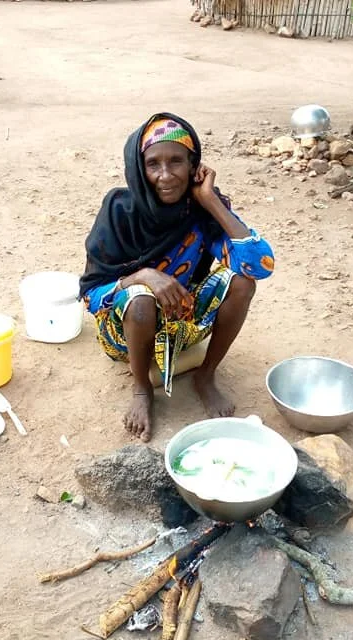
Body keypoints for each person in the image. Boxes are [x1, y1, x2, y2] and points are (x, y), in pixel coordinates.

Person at [80, 113, 274, 442]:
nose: (166, 175)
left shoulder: (200, 211)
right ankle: (142, 388)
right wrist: (143, 276)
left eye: (177, 161)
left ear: (193, 164)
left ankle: (205, 376)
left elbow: (260, 265)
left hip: (184, 324)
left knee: (242, 282)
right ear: (138, 169)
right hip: (125, 334)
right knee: (141, 299)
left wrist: (211, 202)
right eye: (153, 164)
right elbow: (91, 295)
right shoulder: (119, 211)